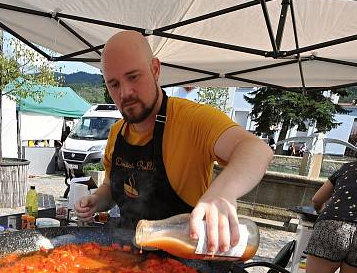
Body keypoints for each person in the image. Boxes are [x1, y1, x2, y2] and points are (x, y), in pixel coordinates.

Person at [75, 30, 272, 252]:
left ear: (155, 69)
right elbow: (111, 188)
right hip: (125, 255)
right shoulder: (117, 133)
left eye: (133, 77)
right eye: (114, 84)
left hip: (183, 265)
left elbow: (256, 149)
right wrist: (96, 200)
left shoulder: (192, 120)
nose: (125, 92)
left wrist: (222, 193)